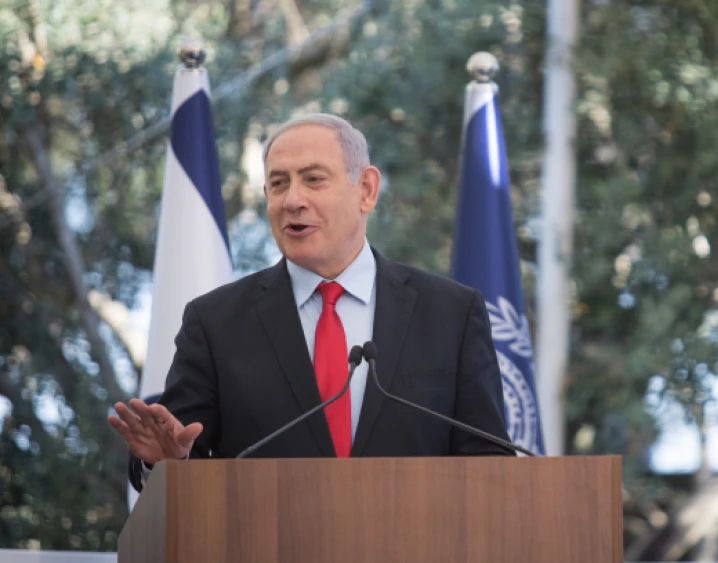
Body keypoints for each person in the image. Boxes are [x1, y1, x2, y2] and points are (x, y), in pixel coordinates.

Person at [108, 113, 513, 492]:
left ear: (367, 190)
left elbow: (489, 462)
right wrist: (165, 463)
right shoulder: (215, 323)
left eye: (313, 179)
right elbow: (179, 446)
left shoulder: (450, 314)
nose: (292, 200)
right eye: (279, 184)